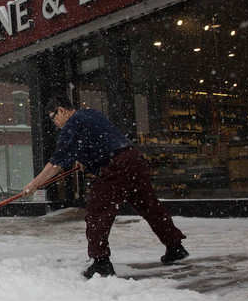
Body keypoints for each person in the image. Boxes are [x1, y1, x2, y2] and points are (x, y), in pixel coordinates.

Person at [22, 96, 189, 278]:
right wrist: (87, 159)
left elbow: (56, 164)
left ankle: (101, 263)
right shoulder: (90, 113)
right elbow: (100, 140)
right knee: (149, 206)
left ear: (62, 110)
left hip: (114, 167)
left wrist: (34, 185)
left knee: (97, 213)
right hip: (132, 159)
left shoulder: (72, 124)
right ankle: (175, 246)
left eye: (53, 117)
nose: (55, 122)